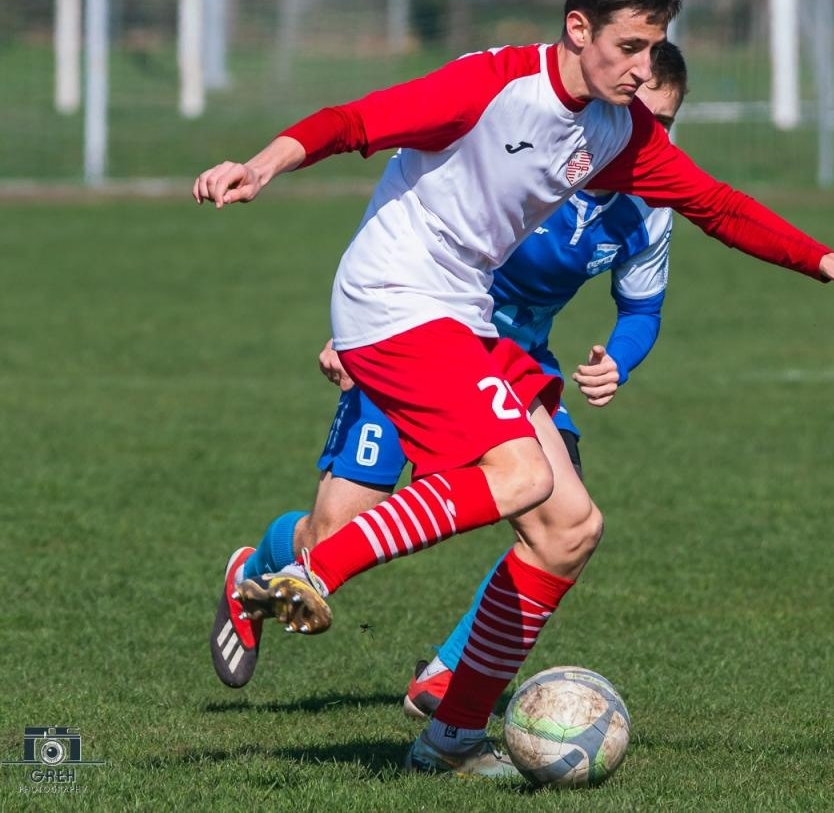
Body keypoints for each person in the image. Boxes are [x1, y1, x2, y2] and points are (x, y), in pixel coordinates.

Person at [192, 0, 834, 778]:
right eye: (629, 47)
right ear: (578, 29)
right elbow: (355, 121)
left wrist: (833, 262)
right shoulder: (493, 83)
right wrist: (262, 164)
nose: (644, 67)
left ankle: (451, 738)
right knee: (519, 474)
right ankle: (314, 568)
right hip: (393, 293)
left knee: (569, 526)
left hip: (465, 312)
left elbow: (715, 204)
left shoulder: (619, 131)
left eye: (655, 47)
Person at [209, 44, 689, 708]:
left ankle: (449, 680)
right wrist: (359, 330)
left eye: (663, 124)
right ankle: (258, 565)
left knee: (559, 520)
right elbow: (419, 231)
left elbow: (642, 307)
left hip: (514, 363)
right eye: (639, 112)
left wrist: (621, 356)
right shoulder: (543, 150)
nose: (647, 133)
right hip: (419, 337)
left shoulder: (645, 208)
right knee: (334, 530)